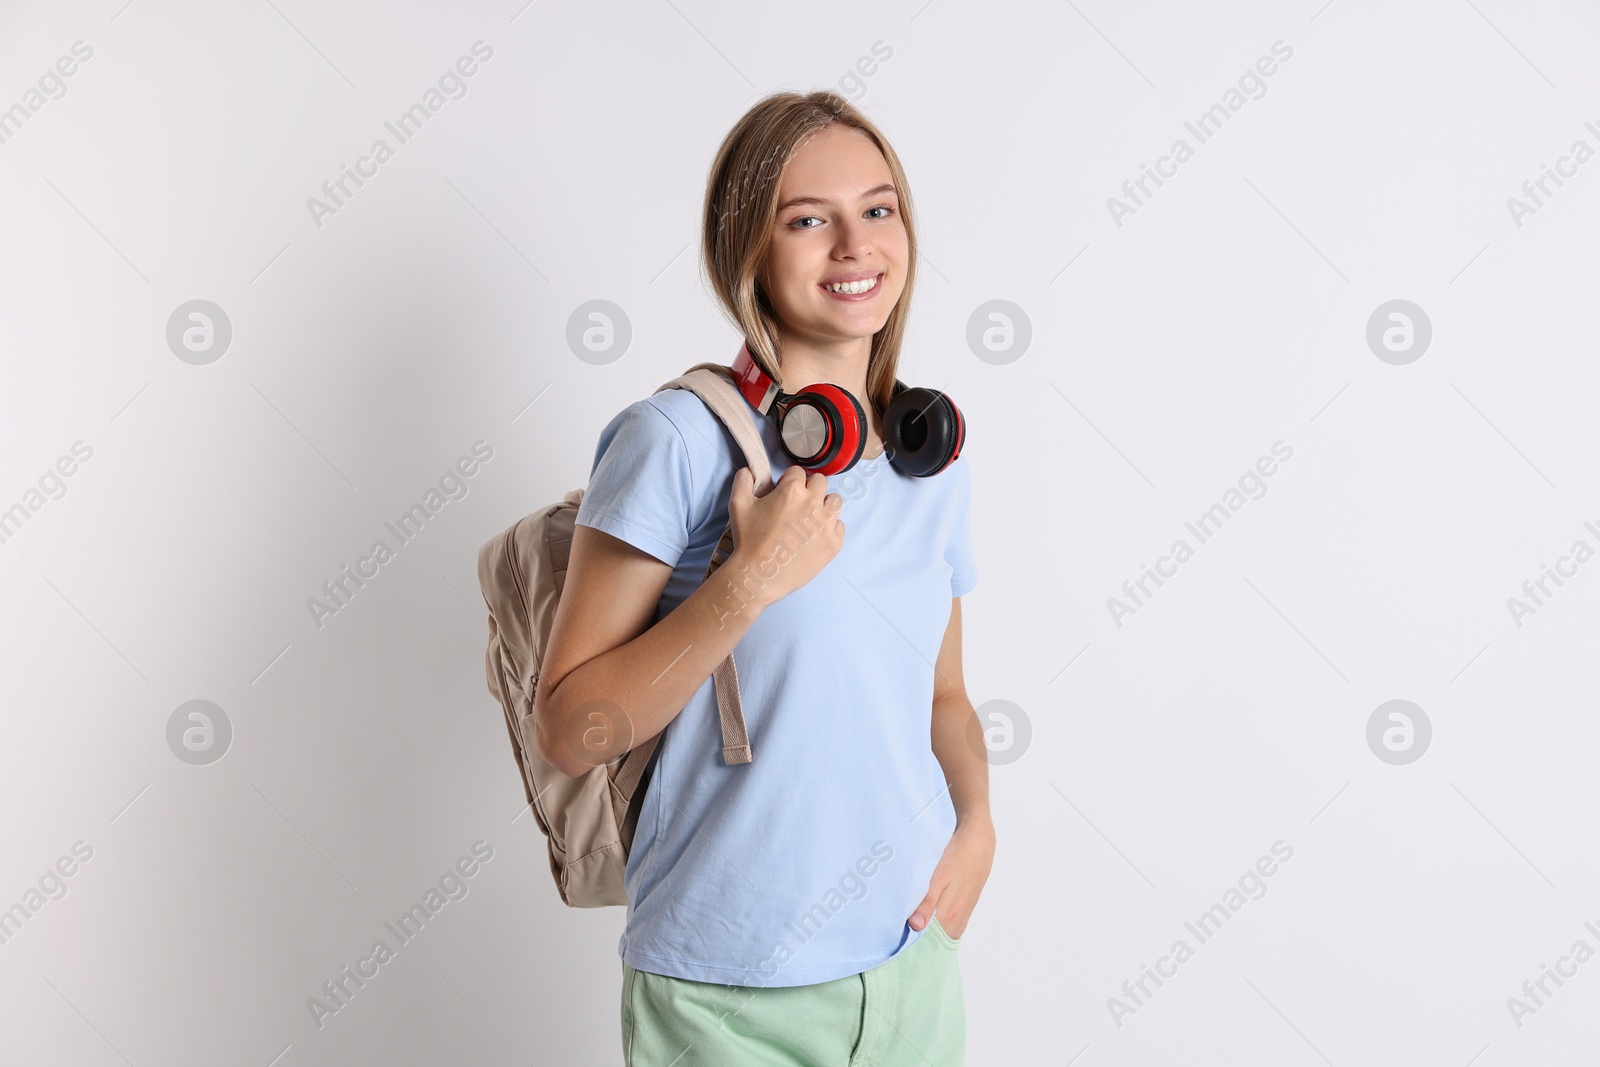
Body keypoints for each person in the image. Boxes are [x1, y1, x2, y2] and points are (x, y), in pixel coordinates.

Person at [534, 89, 992, 1066]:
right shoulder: (674, 441)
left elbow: (942, 694)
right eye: (806, 220)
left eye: (877, 208)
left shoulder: (926, 456)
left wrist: (978, 823)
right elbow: (572, 732)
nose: (854, 245)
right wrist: (744, 585)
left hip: (909, 968)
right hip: (724, 997)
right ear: (746, 249)